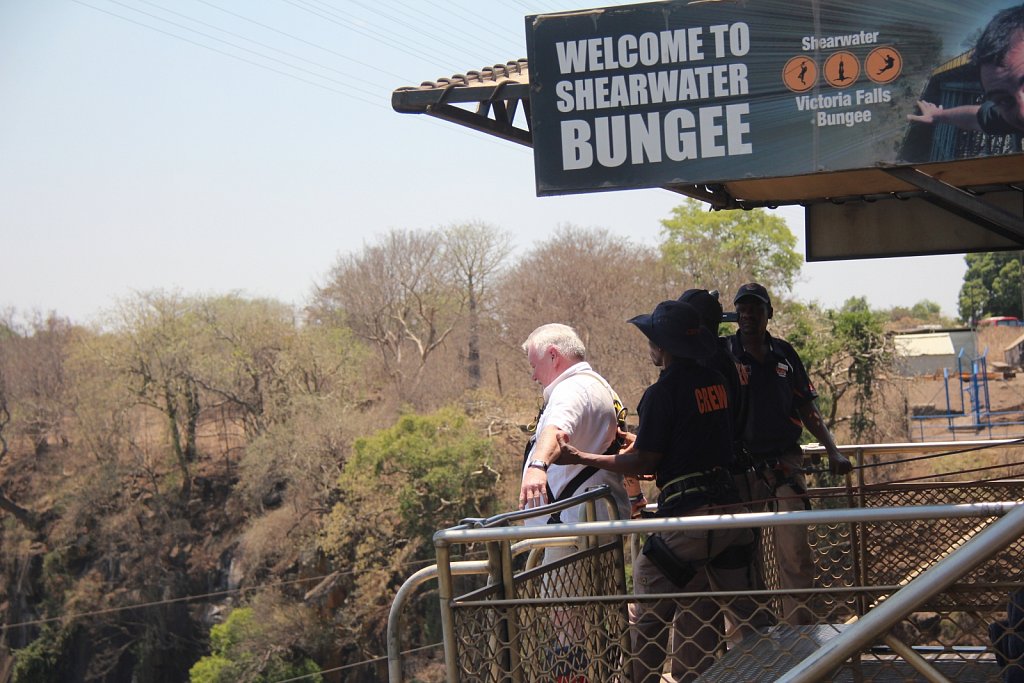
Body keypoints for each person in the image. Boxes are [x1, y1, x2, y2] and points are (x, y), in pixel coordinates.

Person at [555, 300, 762, 683]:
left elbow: (645, 461)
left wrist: (583, 456)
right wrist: (648, 445)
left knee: (647, 613)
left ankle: (641, 679)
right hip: (730, 512)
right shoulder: (715, 381)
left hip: (686, 522)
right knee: (724, 610)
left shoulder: (661, 394)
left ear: (662, 346)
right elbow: (694, 438)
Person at [728, 282, 852, 625]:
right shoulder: (725, 354)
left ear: (769, 313)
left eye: (756, 308)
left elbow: (808, 408)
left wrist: (833, 452)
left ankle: (797, 635)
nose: (748, 314)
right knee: (743, 557)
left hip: (785, 461)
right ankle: (750, 638)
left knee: (794, 550)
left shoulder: (784, 354)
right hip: (742, 466)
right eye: (743, 309)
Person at [907, 4, 1024, 135]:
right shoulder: (1011, 115)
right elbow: (976, 117)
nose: (1022, 113)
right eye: (1004, 100)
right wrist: (937, 114)